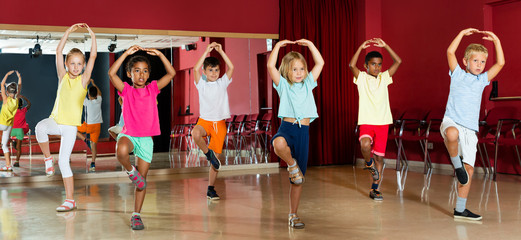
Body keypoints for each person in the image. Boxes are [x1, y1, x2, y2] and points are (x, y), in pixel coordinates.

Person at [108, 45, 175, 230]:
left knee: (142, 182)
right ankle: (130, 171)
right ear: (129, 74)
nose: (141, 74)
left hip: (146, 139)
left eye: (145, 71)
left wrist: (161, 54)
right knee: (120, 150)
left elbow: (171, 73)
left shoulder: (153, 88)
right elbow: (112, 74)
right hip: (129, 134)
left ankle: (136, 215)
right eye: (136, 71)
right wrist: (126, 55)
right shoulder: (127, 90)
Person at [442, 28, 504, 221]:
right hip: (451, 121)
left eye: (483, 62)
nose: (479, 65)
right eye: (475, 60)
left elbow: (501, 62)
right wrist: (460, 34)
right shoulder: (457, 74)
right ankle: (456, 165)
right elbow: (450, 52)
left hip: (470, 129)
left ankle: (460, 210)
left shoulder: (481, 80)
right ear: (465, 62)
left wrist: (496, 40)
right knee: (451, 134)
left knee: (468, 171)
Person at [35, 23, 97, 212]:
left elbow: (93, 55)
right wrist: (68, 32)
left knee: (64, 162)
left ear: (83, 65)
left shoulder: (84, 80)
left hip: (70, 127)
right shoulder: (62, 76)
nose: (76, 67)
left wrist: (92, 34)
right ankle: (47, 160)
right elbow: (58, 50)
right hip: (55, 121)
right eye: (72, 63)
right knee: (39, 128)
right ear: (66, 64)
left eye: (80, 64)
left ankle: (70, 200)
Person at [267, 39, 324, 229]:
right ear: (286, 72)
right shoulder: (282, 85)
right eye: (294, 69)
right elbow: (270, 65)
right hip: (287, 128)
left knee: (298, 180)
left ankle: (293, 215)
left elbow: (320, 63)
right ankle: (291, 164)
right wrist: (277, 46)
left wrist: (309, 45)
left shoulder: (309, 84)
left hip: (303, 132)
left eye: (301, 69)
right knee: (278, 144)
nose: (298, 73)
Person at [348, 38, 402, 201]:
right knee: (364, 145)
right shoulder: (362, 78)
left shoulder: (384, 78)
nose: (376, 67)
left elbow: (398, 61)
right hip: (367, 121)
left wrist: (385, 46)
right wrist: (360, 47)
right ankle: (369, 164)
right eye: (373, 64)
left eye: (379, 64)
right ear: (366, 65)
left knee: (379, 158)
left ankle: (375, 188)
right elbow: (351, 65)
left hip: (382, 123)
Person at [191, 42, 234, 200]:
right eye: (211, 70)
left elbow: (231, 67)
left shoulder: (222, 82)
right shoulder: (201, 84)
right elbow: (195, 69)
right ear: (205, 71)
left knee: (215, 163)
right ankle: (208, 154)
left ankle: (210, 189)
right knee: (195, 134)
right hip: (205, 121)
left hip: (219, 124)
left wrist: (221, 51)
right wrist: (206, 50)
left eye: (216, 70)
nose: (214, 73)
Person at [76, 79, 102, 172]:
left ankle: (85, 140)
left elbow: (81, 93)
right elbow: (99, 92)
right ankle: (93, 163)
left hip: (88, 126)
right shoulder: (99, 100)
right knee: (94, 145)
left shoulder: (87, 102)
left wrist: (86, 84)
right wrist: (93, 83)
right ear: (96, 95)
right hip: (97, 126)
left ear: (89, 95)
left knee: (73, 128)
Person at [0, 71, 22, 171]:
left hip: (1, 124)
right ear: (16, 92)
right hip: (9, 126)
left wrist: (7, 74)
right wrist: (19, 77)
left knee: (4, 144)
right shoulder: (16, 100)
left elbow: (1, 84)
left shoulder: (5, 99)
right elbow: (20, 86)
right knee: (4, 145)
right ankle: (8, 166)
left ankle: (8, 165)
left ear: (8, 93)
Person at [11, 95, 31, 167]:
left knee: (6, 137)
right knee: (19, 147)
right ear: (22, 104)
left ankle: (13, 141)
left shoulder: (12, 110)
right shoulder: (23, 110)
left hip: (12, 130)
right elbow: (29, 104)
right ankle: (17, 162)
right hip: (20, 131)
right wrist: (24, 97)